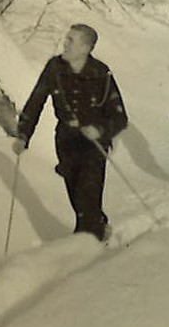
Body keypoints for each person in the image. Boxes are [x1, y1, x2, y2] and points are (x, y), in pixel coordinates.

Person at [13, 24, 129, 241]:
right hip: (66, 140)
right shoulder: (54, 68)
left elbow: (120, 117)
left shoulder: (101, 73)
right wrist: (23, 135)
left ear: (86, 47)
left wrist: (100, 130)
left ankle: (89, 244)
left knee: (89, 194)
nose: (64, 44)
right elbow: (35, 101)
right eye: (66, 39)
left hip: (93, 144)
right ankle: (97, 228)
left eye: (71, 40)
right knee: (77, 197)